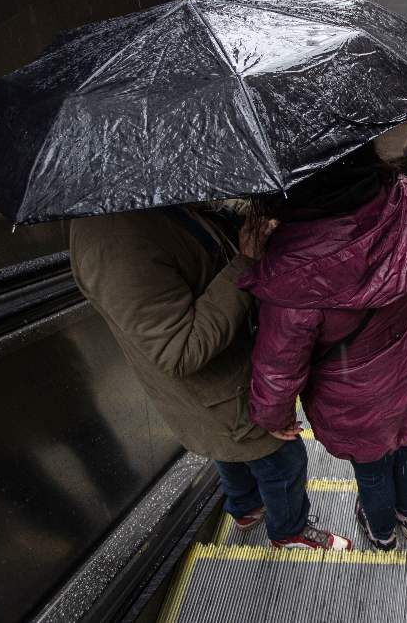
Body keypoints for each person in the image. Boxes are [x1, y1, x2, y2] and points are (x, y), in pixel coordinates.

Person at [69, 205, 352, 551]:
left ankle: (246, 507)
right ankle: (288, 531)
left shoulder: (145, 200)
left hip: (228, 375)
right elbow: (179, 349)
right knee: (283, 457)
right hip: (218, 388)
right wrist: (245, 262)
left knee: (229, 449)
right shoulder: (114, 246)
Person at [241, 144, 407, 551]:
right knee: (406, 442)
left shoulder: (290, 266)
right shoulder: (405, 199)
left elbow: (279, 364)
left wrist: (272, 415)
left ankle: (382, 531)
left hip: (352, 388)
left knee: (371, 466)